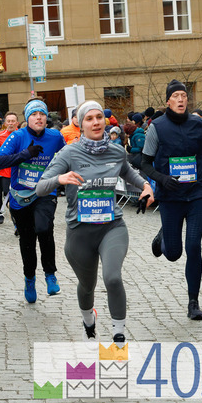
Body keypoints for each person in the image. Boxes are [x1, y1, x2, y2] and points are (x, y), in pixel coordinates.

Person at [36, 101, 154, 343]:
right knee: (87, 285)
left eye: (99, 117)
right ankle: (89, 322)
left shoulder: (116, 151)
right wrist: (60, 179)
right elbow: (40, 188)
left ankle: (119, 334)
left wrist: (145, 186)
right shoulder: (69, 153)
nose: (96, 122)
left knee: (113, 278)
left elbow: (127, 172)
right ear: (81, 124)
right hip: (80, 232)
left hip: (112, 227)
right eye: (89, 118)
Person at [140, 79, 202, 320]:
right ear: (168, 101)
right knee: (174, 253)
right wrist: (162, 179)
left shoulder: (199, 124)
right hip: (170, 196)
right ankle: (164, 236)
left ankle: (193, 302)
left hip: (196, 194)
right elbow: (144, 163)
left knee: (193, 246)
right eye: (175, 96)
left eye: (184, 95)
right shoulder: (157, 127)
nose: (181, 99)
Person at [0, 98, 66, 303]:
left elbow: (69, 157)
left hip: (45, 193)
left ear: (46, 118)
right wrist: (25, 154)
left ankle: (50, 274)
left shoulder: (55, 136)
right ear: (27, 118)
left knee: (44, 228)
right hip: (20, 197)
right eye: (34, 114)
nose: (39, 118)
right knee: (27, 241)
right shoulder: (17, 136)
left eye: (42, 114)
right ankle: (30, 279)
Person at [0, 112, 20, 223]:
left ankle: (18, 218)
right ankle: (14, 215)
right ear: (5, 123)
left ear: (17, 123)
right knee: (7, 194)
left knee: (18, 194)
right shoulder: (0, 135)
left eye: (13, 121)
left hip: (19, 170)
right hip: (6, 171)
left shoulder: (22, 134)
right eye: (8, 121)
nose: (11, 123)